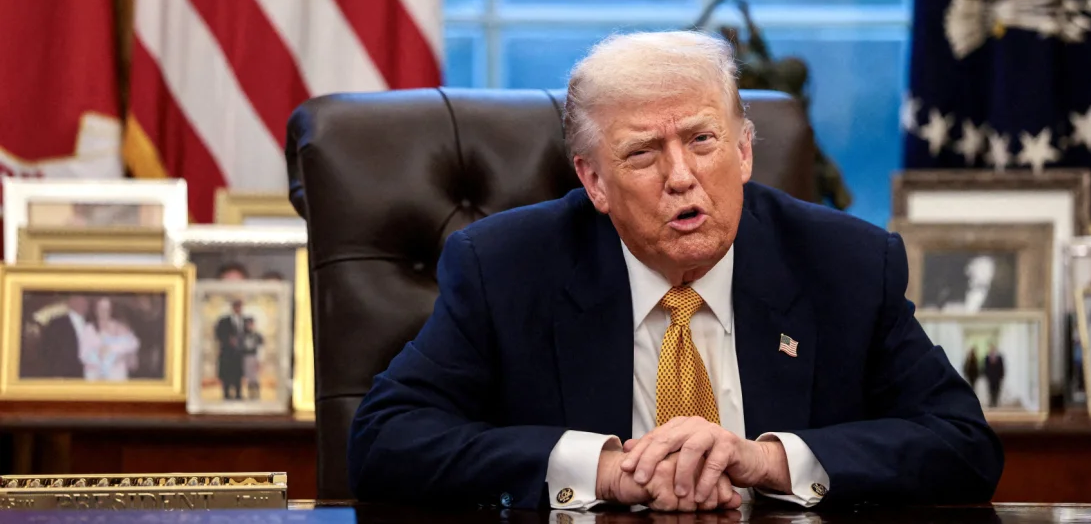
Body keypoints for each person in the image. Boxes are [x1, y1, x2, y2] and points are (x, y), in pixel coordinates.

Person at [348, 31, 1002, 511]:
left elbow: (961, 444)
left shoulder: (847, 264)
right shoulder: (504, 268)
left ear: (743, 151)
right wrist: (601, 469)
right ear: (594, 180)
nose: (681, 177)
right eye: (641, 153)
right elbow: (385, 442)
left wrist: (765, 459)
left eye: (701, 139)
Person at [81, 297, 141, 381]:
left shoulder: (120, 327)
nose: (103, 312)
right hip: (95, 377)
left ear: (111, 310)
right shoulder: (89, 329)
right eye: (100, 308)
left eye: (107, 309)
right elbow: (83, 355)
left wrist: (118, 352)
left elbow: (133, 344)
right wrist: (99, 354)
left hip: (117, 376)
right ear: (95, 310)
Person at [34, 295, 91, 378]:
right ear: (70, 302)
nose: (83, 304)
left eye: (85, 301)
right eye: (78, 300)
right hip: (63, 375)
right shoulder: (56, 324)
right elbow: (48, 351)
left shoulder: (91, 323)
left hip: (88, 374)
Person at [215, 300, 246, 400]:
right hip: (227, 352)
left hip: (239, 353)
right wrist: (228, 340)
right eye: (236, 307)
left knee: (237, 374)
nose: (238, 309)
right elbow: (218, 333)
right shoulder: (224, 321)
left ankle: (238, 393)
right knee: (226, 374)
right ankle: (226, 394)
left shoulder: (244, 320)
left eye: (240, 307)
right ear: (233, 308)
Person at [241, 317, 264, 400]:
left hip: (254, 357)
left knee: (255, 377)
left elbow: (260, 348)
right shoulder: (243, 335)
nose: (249, 326)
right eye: (248, 324)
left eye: (251, 324)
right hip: (245, 357)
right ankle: (250, 393)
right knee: (248, 378)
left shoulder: (257, 335)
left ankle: (256, 394)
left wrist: (259, 360)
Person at [983, 342, 1005, 408]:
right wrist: (986, 375)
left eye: (993, 348)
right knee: (990, 390)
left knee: (997, 390)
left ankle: (995, 402)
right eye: (990, 348)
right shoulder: (987, 358)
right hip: (990, 377)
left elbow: (1002, 367)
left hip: (997, 377)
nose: (992, 350)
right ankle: (991, 401)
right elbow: (985, 368)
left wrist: (1002, 376)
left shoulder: (999, 358)